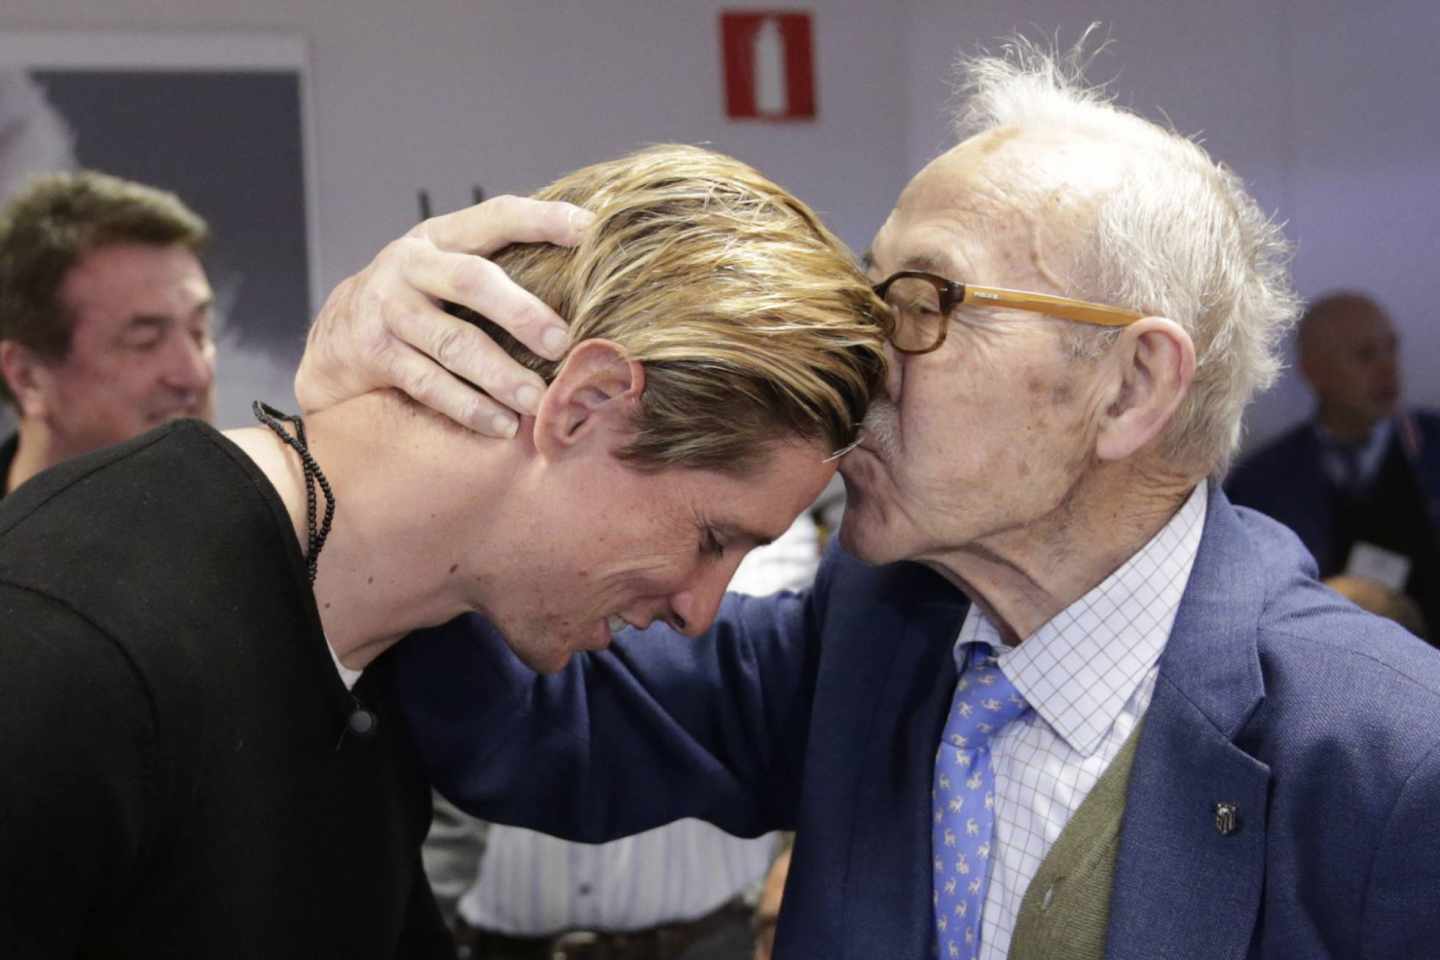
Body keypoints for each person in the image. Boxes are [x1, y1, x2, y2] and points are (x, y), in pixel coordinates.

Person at [297, 38, 1440, 959]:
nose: (858, 356)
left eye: (920, 303)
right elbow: (542, 720)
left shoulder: (1388, 756)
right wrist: (407, 417)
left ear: (1130, 386)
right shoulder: (877, 632)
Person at [0, 144, 886, 958]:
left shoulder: (386, 640)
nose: (699, 611)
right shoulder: (63, 648)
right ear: (584, 403)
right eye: (712, 537)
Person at [430, 523, 819, 960]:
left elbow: (806, 715)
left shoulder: (772, 532)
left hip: (707, 938)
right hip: (492, 937)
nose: (695, 609)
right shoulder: (490, 523)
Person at [1227, 291, 1440, 634]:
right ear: (1314, 371)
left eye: (1391, 348)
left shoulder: (1432, 450)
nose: (1388, 369)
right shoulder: (1262, 482)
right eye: (1365, 355)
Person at [0, 170, 217, 495]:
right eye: (145, 343)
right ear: (27, 376)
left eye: (198, 332)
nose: (195, 375)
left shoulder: (278, 537)